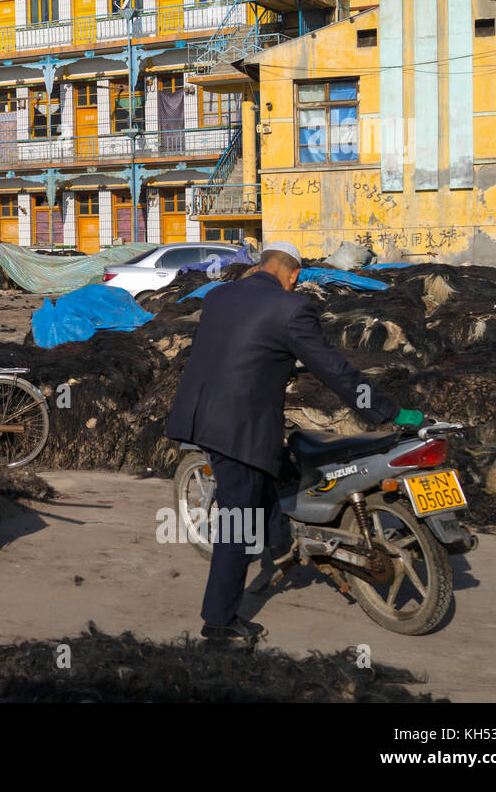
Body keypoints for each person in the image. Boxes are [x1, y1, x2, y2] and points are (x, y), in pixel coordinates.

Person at [166, 241, 423, 646]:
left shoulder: (219, 295)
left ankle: (281, 547)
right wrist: (388, 411)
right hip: (240, 427)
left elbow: (230, 345)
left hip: (200, 414)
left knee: (272, 471)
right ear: (294, 276)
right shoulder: (292, 308)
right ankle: (218, 623)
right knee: (238, 522)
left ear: (260, 266)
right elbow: (335, 371)